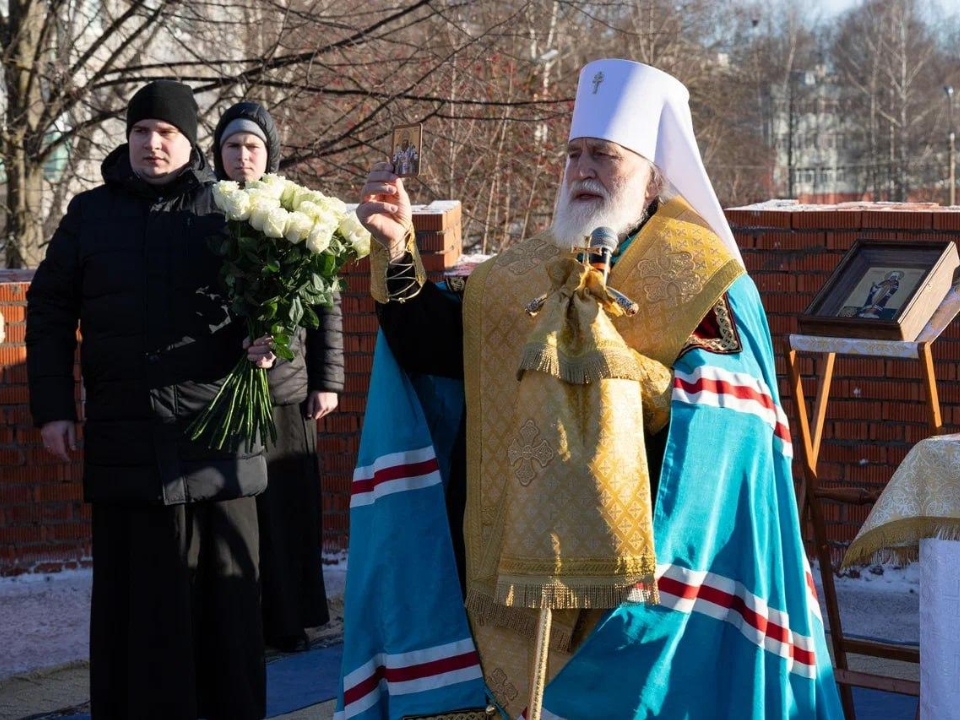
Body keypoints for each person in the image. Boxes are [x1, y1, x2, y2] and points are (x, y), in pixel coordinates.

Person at [340, 60, 844, 719]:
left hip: (640, 575)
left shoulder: (703, 276)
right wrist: (396, 250)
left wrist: (626, 374)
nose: (582, 170)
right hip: (508, 571)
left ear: (653, 174)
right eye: (574, 154)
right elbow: (438, 350)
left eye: (604, 155)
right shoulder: (519, 273)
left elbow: (735, 423)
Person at [26, 80, 275, 720]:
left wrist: (273, 344)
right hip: (127, 444)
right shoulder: (89, 214)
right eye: (141, 131)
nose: (152, 144)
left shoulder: (231, 208)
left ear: (190, 142)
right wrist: (53, 407)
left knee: (226, 609)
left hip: (217, 442)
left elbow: (282, 307)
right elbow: (48, 310)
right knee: (137, 610)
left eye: (166, 132)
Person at [212, 101, 344, 651]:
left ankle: (289, 619)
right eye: (232, 146)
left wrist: (327, 380)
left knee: (287, 509)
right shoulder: (203, 211)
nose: (242, 156)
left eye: (253, 146)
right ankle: (240, 618)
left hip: (288, 392)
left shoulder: (296, 212)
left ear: (270, 154)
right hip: (223, 389)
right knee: (237, 512)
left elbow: (325, 300)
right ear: (217, 153)